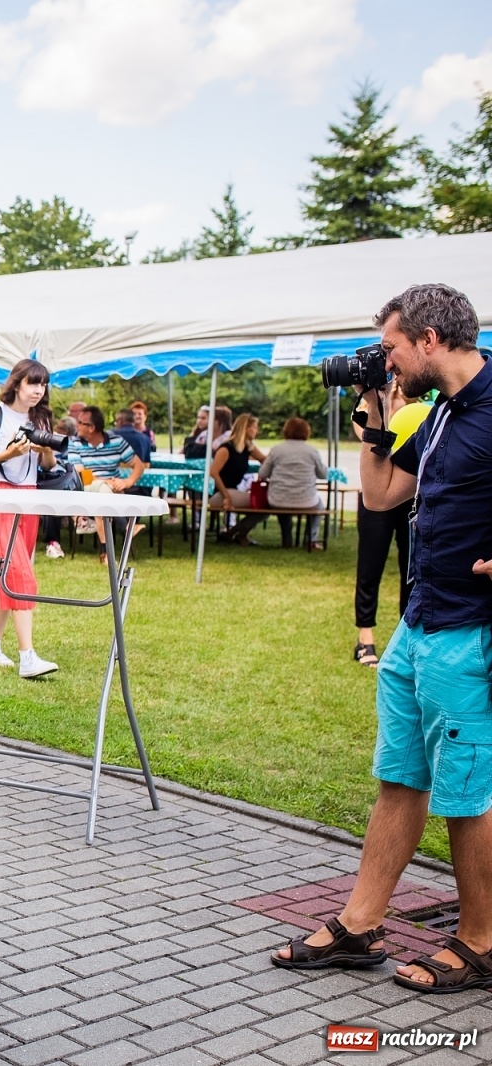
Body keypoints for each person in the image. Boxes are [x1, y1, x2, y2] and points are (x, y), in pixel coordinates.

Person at [271, 283, 492, 995]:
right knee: (401, 777)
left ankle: (482, 942)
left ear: (429, 340)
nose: (386, 361)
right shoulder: (440, 411)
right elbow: (381, 494)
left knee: (466, 792)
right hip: (419, 621)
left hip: (469, 629)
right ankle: (361, 925)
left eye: (391, 349)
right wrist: (373, 407)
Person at [0, 359, 62, 678]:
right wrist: (8, 454)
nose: (38, 390)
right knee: (19, 573)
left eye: (43, 385)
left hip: (29, 498)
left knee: (7, 574)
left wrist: (44, 449)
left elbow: (48, 466)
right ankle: (27, 657)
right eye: (33, 383)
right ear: (17, 382)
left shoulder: (41, 417)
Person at [353, 381, 431, 668]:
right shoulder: (369, 405)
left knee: (411, 568)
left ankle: (407, 636)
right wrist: (380, 407)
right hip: (376, 493)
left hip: (410, 495)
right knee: (370, 565)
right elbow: (369, 442)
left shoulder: (422, 407)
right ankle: (365, 636)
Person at [230, 417, 328, 549]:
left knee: (281, 505)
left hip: (278, 498)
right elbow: (323, 474)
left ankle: (287, 539)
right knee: (319, 506)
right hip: (306, 500)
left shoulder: (276, 450)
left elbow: (263, 474)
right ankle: (310, 539)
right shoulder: (312, 451)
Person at [69, 405, 148, 563]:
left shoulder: (116, 441)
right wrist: (108, 483)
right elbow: (82, 475)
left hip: (113, 491)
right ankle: (126, 527)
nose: (76, 425)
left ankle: (105, 554)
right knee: (103, 491)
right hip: (86, 489)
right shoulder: (74, 443)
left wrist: (127, 482)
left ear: (91, 427)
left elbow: (139, 465)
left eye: (80, 422)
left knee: (102, 499)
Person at [211, 413, 266, 543]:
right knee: (263, 506)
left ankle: (233, 533)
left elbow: (264, 459)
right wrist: (226, 496)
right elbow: (213, 472)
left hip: (234, 490)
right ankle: (236, 534)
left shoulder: (247, 447)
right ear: (246, 428)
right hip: (221, 493)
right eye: (255, 427)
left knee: (264, 506)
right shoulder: (226, 448)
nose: (257, 430)